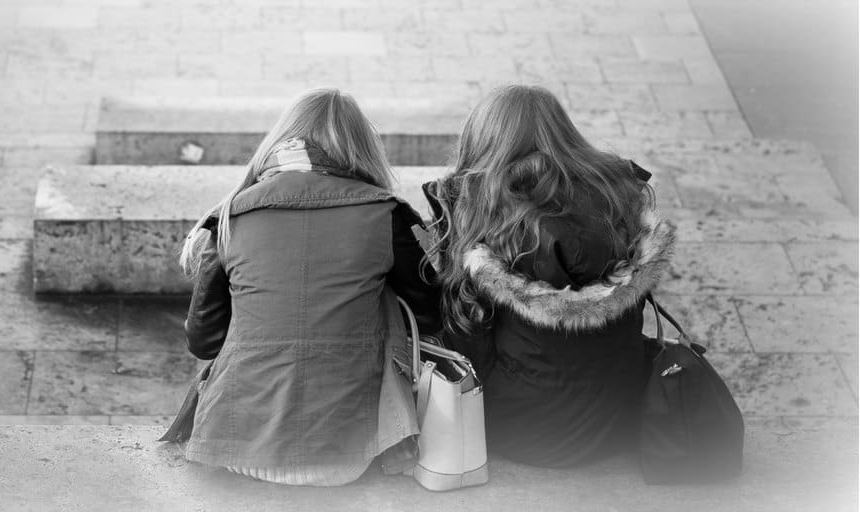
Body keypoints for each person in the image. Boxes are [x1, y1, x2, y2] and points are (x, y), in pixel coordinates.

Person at [175, 88, 440, 486]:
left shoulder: (231, 216)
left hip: (236, 446)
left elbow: (203, 341)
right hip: (348, 453)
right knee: (381, 294)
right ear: (360, 149)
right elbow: (428, 316)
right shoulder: (387, 214)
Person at [422, 85, 676, 468]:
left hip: (521, 430)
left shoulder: (486, 216)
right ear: (564, 134)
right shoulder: (621, 199)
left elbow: (468, 346)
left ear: (483, 143)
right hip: (618, 417)